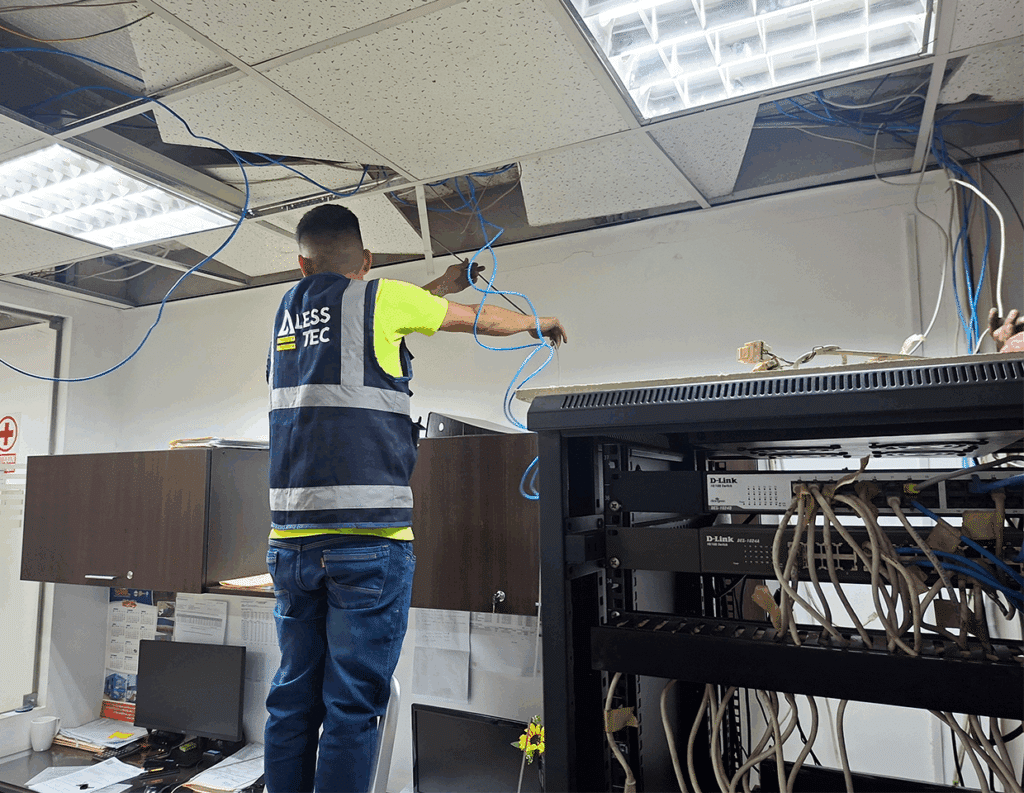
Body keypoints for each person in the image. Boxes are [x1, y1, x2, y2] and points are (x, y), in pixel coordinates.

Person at [263, 204, 567, 793]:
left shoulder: (287, 319)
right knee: (352, 708)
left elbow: (377, 317)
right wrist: (538, 321)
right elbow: (468, 319)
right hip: (368, 544)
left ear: (302, 264)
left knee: (292, 700)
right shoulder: (383, 297)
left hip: (291, 545)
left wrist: (443, 285)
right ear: (369, 261)